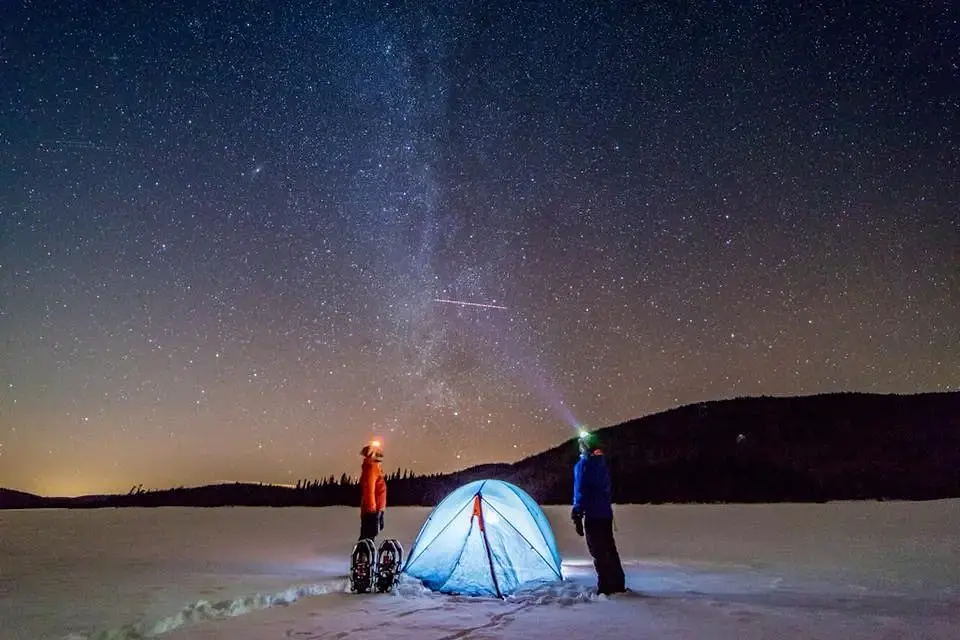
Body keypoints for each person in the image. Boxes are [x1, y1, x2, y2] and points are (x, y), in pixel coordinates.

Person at [571, 431, 626, 595]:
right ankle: (617, 584)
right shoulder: (602, 464)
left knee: (599, 551)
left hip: (593, 515)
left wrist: (577, 512)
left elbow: (581, 490)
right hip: (605, 514)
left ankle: (606, 587)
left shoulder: (584, 465)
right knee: (609, 549)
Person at [358, 439, 387, 541]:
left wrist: (380, 511)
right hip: (371, 511)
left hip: (376, 510)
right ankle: (363, 556)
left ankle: (365, 554)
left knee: (369, 536)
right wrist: (372, 513)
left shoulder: (375, 468)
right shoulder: (371, 468)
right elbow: (369, 491)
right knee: (368, 537)